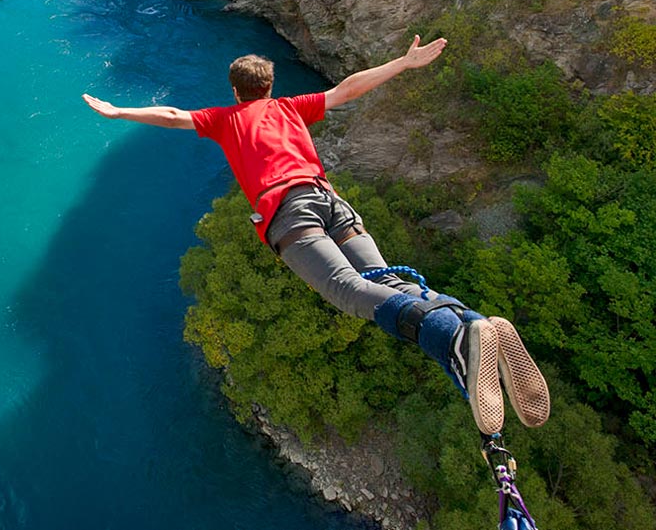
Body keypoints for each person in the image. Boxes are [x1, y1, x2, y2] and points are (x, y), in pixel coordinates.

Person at [82, 36, 550, 436]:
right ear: (269, 86)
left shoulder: (226, 119)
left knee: (347, 291)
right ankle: (469, 321)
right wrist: (404, 63)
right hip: (331, 201)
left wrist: (120, 112)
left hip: (288, 210)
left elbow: (172, 114)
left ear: (235, 90)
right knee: (386, 280)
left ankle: (452, 338)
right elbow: (348, 90)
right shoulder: (290, 107)